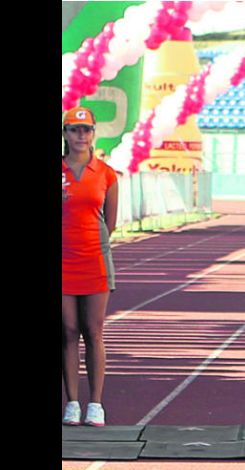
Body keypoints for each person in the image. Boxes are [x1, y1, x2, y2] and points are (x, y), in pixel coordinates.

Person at [62, 107, 119, 427]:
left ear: (94, 133)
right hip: (62, 260)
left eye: (86, 130)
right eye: (74, 130)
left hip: (94, 259)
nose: (80, 136)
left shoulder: (106, 174)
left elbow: (109, 223)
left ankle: (95, 402)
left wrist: (93, 245)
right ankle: (72, 401)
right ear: (65, 134)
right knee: (68, 331)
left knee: (93, 331)